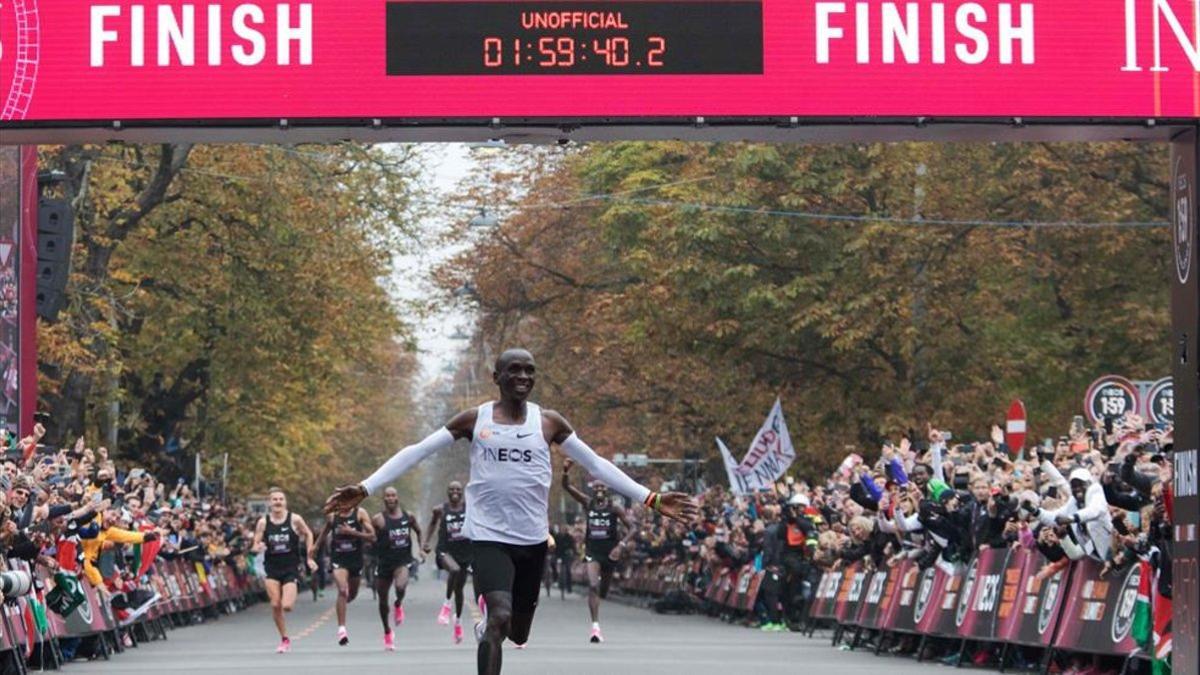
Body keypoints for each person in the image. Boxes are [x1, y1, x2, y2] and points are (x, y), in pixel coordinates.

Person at [324, 348, 698, 675]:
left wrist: (652, 498)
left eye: (529, 370)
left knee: (518, 632)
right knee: (498, 617)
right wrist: (365, 487)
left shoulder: (549, 422)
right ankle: (489, 629)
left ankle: (493, 630)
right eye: (514, 369)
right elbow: (419, 449)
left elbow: (596, 465)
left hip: (532, 540)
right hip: (488, 537)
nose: (522, 376)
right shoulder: (476, 419)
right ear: (496, 377)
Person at [562, 459, 635, 643]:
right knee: (593, 585)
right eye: (595, 487)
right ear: (592, 489)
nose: (599, 490)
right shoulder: (588, 503)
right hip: (593, 551)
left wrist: (621, 546)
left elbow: (633, 528)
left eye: (602, 487)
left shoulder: (614, 508)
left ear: (607, 489)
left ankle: (599, 600)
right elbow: (567, 486)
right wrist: (565, 470)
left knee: (602, 592)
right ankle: (595, 627)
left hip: (610, 553)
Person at [251, 487, 317, 654]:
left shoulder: (295, 519)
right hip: (272, 567)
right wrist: (258, 546)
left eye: (281, 499)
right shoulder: (263, 522)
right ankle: (284, 638)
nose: (278, 502)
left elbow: (308, 533)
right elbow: (255, 543)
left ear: (285, 502)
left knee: (287, 606)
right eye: (275, 499)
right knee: (275, 604)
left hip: (290, 567)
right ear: (270, 502)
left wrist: (309, 556)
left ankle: (285, 630)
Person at [317, 503, 375, 646]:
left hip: (355, 560)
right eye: (343, 500)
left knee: (351, 595)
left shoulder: (360, 513)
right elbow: (324, 533)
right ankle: (342, 629)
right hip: (338, 559)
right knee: (342, 590)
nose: (345, 503)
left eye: (348, 499)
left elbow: (373, 536)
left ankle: (342, 603)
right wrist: (315, 547)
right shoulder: (332, 516)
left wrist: (353, 532)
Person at [372, 486, 422, 651]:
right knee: (382, 602)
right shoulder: (378, 519)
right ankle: (387, 632)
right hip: (384, 563)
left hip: (403, 561)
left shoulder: (408, 517)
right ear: (384, 499)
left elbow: (419, 531)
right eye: (387, 496)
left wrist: (421, 548)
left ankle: (399, 604)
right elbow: (370, 537)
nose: (391, 498)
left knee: (400, 586)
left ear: (397, 498)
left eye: (393, 495)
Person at [424, 481, 471, 643]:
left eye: (458, 489)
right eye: (452, 489)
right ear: (447, 492)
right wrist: (426, 542)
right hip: (445, 550)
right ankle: (446, 605)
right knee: (454, 570)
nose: (455, 492)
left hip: (464, 553)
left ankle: (458, 622)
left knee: (459, 590)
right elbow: (431, 525)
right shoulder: (440, 509)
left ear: (462, 491)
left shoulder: (469, 508)